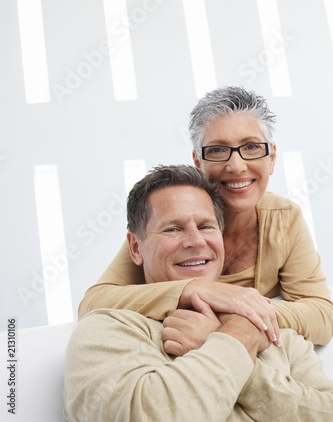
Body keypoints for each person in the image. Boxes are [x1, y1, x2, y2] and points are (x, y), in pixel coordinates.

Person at [64, 165, 333, 421]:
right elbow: (154, 416)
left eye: (206, 227)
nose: (196, 241)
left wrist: (231, 335)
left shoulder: (279, 337)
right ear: (135, 248)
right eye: (172, 229)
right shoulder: (108, 330)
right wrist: (237, 338)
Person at [78, 86, 333, 346]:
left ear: (272, 158)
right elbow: (93, 304)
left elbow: (322, 316)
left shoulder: (284, 219)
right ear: (198, 162)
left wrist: (235, 314)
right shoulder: (170, 220)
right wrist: (195, 290)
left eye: (252, 146)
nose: (236, 166)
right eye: (217, 151)